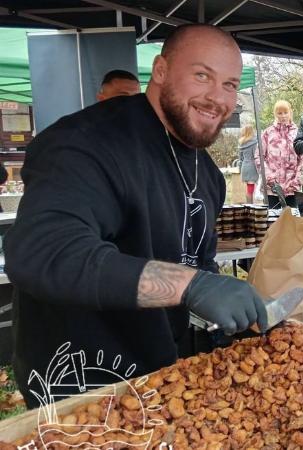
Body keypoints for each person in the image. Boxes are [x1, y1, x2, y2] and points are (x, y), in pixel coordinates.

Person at [4, 24, 269, 408]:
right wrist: (192, 286)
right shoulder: (87, 141)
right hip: (79, 383)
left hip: (159, 376)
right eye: (202, 75)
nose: (217, 98)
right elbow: (43, 252)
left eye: (229, 84)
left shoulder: (208, 174)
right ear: (160, 71)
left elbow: (192, 256)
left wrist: (216, 291)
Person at [257, 100, 300, 208]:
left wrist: (297, 180)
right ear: (275, 114)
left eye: (285, 112)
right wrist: (269, 177)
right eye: (279, 113)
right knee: (273, 220)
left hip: (292, 187)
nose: (283, 116)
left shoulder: (298, 133)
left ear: (290, 112)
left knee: (293, 220)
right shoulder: (268, 133)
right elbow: (259, 157)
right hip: (272, 188)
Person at [237, 124, 259, 204]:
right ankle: (250, 207)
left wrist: (240, 170)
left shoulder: (241, 143)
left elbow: (240, 159)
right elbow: (255, 156)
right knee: (251, 189)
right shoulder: (254, 142)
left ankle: (249, 206)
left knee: (249, 188)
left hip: (244, 167)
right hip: (252, 166)